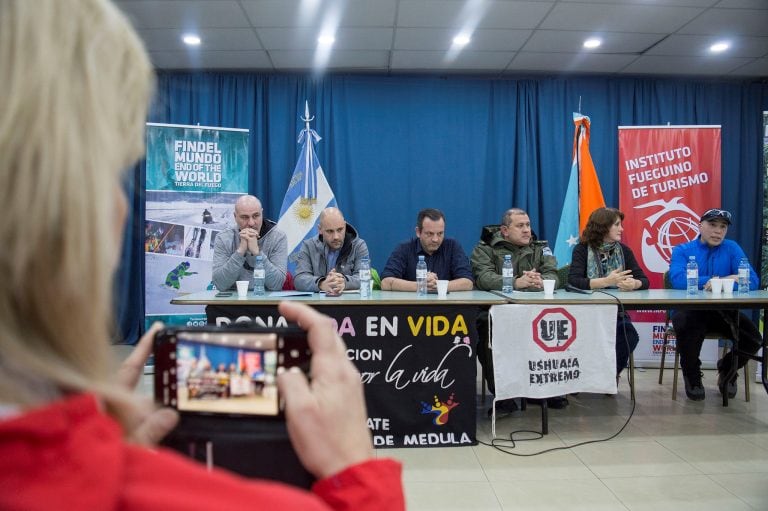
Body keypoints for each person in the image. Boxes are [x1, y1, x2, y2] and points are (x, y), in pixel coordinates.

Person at [0, 2, 404, 510]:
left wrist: (284, 265)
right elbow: (222, 283)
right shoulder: (227, 237)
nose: (252, 224)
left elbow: (278, 277)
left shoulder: (295, 236)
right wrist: (355, 471)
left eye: (256, 219)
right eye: (106, 173)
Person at [471, 208, 566, 411]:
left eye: (528, 225)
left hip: (534, 313)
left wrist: (541, 281)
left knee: (555, 330)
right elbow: (483, 278)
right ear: (505, 230)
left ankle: (547, 390)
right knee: (487, 335)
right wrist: (516, 282)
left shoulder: (541, 248)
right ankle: (504, 395)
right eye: (520, 226)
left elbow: (555, 275)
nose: (526, 231)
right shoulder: (486, 248)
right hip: (495, 314)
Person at [668, 208, 761, 401]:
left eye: (723, 227)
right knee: (688, 327)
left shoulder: (732, 248)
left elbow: (752, 280)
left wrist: (724, 281)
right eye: (712, 225)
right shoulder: (682, 250)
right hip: (689, 311)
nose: (717, 231)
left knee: (753, 338)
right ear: (700, 225)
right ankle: (692, 376)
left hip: (722, 312)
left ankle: (727, 368)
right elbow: (677, 280)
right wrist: (720, 279)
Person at [568, 207, 648, 381]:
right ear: (603, 227)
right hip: (585, 312)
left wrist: (634, 284)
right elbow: (573, 281)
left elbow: (644, 279)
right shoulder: (582, 249)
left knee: (630, 336)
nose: (622, 229)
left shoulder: (624, 251)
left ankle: (609, 376)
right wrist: (606, 281)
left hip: (615, 312)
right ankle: (582, 377)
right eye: (617, 225)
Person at [380, 208, 473, 292]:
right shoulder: (404, 248)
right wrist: (421, 286)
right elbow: (385, 282)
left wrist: (438, 285)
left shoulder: (452, 246)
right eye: (429, 234)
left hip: (447, 308)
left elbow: (468, 282)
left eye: (440, 233)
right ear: (418, 232)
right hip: (412, 308)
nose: (435, 239)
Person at [212, 195, 287, 292]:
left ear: (262, 213)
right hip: (231, 301)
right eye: (244, 217)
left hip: (266, 301)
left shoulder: (278, 237)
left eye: (256, 216)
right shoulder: (223, 238)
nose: (251, 223)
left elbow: (277, 284)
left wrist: (257, 253)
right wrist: (240, 251)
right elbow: (220, 284)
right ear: (235, 217)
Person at [294, 207, 370, 294]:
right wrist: (321, 283)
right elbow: (299, 279)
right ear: (320, 230)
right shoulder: (308, 246)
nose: (336, 237)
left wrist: (344, 282)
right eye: (330, 231)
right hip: (318, 305)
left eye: (340, 230)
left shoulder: (359, 246)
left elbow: (365, 277)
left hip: (349, 305)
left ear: (345, 226)